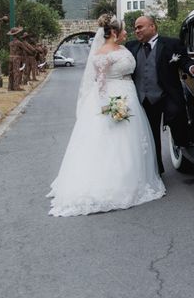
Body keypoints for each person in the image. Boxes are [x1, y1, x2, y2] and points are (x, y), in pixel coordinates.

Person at [47, 14, 165, 216]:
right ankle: (112, 183)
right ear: (115, 32)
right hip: (114, 98)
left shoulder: (124, 48)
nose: (128, 32)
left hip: (130, 95)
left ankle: (133, 175)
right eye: (125, 29)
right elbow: (100, 83)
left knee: (131, 141)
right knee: (112, 141)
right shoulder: (102, 53)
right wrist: (109, 106)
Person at [126, 15, 194, 174]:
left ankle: (184, 149)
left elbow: (185, 61)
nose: (136, 30)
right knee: (151, 136)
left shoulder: (171, 43)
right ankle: (156, 170)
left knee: (178, 120)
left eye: (140, 27)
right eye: (135, 28)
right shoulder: (130, 46)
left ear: (152, 27)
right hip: (143, 99)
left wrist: (192, 68)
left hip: (167, 96)